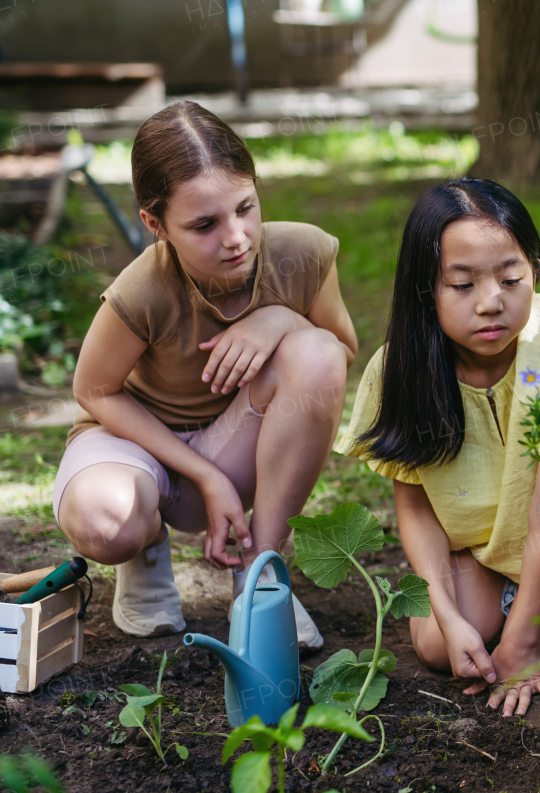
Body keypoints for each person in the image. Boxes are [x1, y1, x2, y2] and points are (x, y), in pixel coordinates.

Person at [57, 101, 358, 649]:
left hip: (233, 444)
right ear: (155, 224)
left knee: (316, 352)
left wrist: (281, 318)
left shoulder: (304, 254)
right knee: (105, 522)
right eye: (204, 225)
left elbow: (342, 352)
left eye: (246, 207)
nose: (237, 236)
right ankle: (144, 552)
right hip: (140, 452)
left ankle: (259, 573)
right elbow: (93, 390)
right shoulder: (141, 291)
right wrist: (207, 477)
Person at [336, 178, 540, 717]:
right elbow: (417, 505)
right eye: (462, 284)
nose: (491, 302)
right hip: (480, 546)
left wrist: (521, 643)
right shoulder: (397, 370)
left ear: (534, 271)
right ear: (426, 288)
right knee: (436, 648)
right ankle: (521, 605)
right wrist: (446, 613)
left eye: (511, 277)